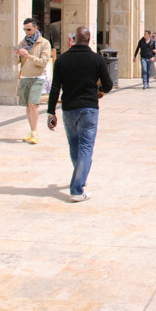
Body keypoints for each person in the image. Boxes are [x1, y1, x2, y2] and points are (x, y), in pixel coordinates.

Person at [46, 26, 112, 202]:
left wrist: (50, 111)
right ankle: (77, 188)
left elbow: (55, 88)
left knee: (74, 146)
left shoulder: (62, 60)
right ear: (89, 40)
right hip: (89, 108)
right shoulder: (96, 60)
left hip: (68, 109)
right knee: (85, 148)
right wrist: (97, 88)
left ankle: (80, 176)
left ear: (74, 39)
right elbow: (108, 85)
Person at [14, 18, 52, 145]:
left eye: (29, 29)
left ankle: (35, 131)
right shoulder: (22, 43)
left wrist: (28, 56)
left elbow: (43, 62)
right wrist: (16, 55)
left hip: (37, 77)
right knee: (27, 105)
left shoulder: (44, 43)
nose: (27, 32)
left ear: (36, 28)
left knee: (33, 103)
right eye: (25, 29)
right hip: (25, 76)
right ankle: (31, 130)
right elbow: (16, 63)